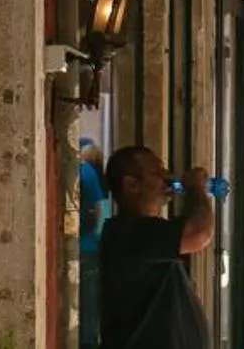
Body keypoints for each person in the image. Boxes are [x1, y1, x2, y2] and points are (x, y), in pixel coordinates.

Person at [96, 146, 213, 349]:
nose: (166, 177)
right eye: (156, 172)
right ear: (132, 185)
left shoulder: (149, 234)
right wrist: (195, 188)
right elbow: (199, 233)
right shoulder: (130, 234)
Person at [77, 139, 111, 348]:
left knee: (87, 308)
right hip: (91, 249)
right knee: (89, 307)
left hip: (85, 248)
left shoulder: (84, 171)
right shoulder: (94, 175)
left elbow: (100, 209)